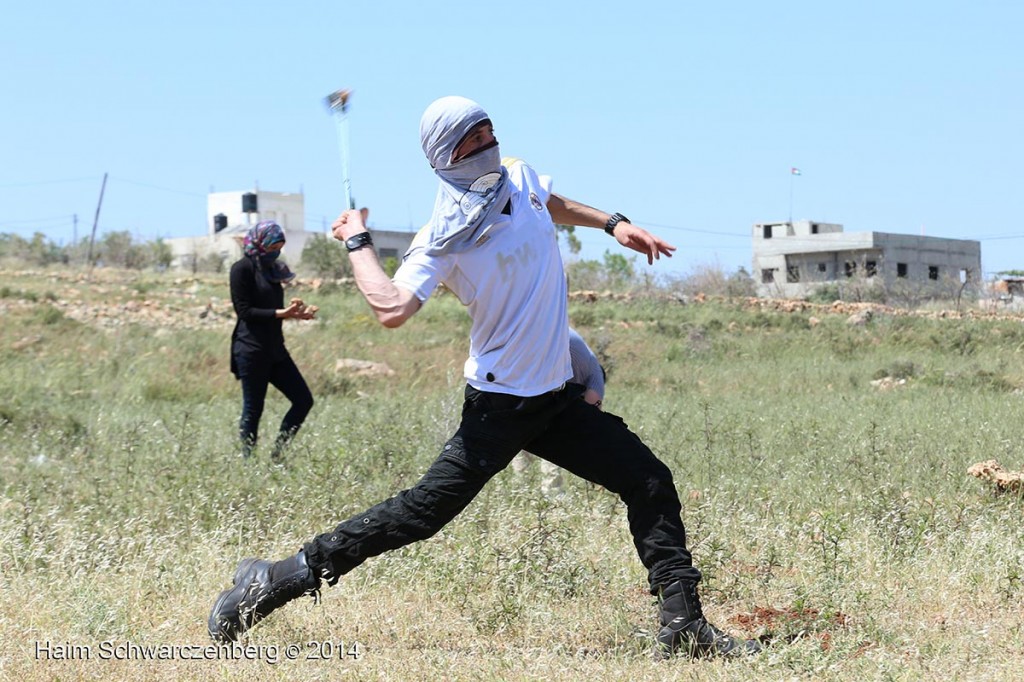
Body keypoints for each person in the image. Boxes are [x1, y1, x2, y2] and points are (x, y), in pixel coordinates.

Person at [208, 97, 761, 659]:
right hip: (499, 406)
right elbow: (391, 307)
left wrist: (614, 224)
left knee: (648, 481)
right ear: (444, 156)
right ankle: (275, 579)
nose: (486, 142)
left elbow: (548, 201)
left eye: (488, 129)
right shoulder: (441, 238)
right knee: (421, 514)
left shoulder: (516, 177)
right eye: (471, 138)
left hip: (554, 397)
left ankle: (683, 626)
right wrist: (358, 243)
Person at [228, 220, 317, 461]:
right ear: (259, 243)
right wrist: (281, 313)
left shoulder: (274, 270)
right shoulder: (242, 269)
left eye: (279, 246)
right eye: (271, 246)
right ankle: (248, 462)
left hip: (275, 350)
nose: (275, 252)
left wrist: (297, 314)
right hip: (251, 350)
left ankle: (278, 454)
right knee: (253, 409)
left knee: (303, 400)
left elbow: (275, 310)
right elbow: (245, 312)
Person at [510, 327, 605, 495]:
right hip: (548, 360)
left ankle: (520, 488)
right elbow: (591, 421)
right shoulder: (596, 376)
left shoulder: (581, 351)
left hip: (520, 351)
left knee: (522, 424)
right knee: (557, 429)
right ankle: (552, 493)